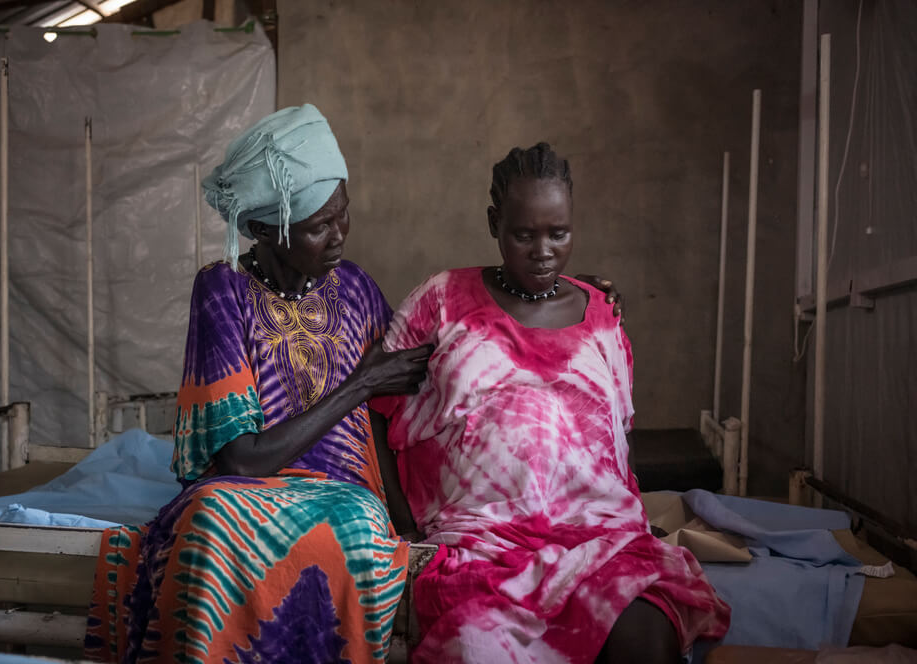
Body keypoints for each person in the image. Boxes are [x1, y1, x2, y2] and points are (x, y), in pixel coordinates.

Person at [83, 104, 431, 663]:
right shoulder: (221, 290)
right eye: (320, 226)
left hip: (345, 491)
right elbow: (239, 462)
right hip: (240, 488)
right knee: (210, 524)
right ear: (268, 229)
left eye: (344, 214)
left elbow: (407, 387)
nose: (340, 235)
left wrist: (568, 296)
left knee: (351, 531)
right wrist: (357, 386)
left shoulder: (358, 288)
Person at [371, 143, 731, 663]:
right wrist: (404, 524)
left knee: (648, 640)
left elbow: (614, 436)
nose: (543, 250)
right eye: (524, 234)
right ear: (495, 223)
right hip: (485, 544)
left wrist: (632, 515)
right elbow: (379, 410)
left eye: (557, 233)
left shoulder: (601, 312)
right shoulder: (442, 299)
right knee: (475, 645)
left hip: (598, 539)